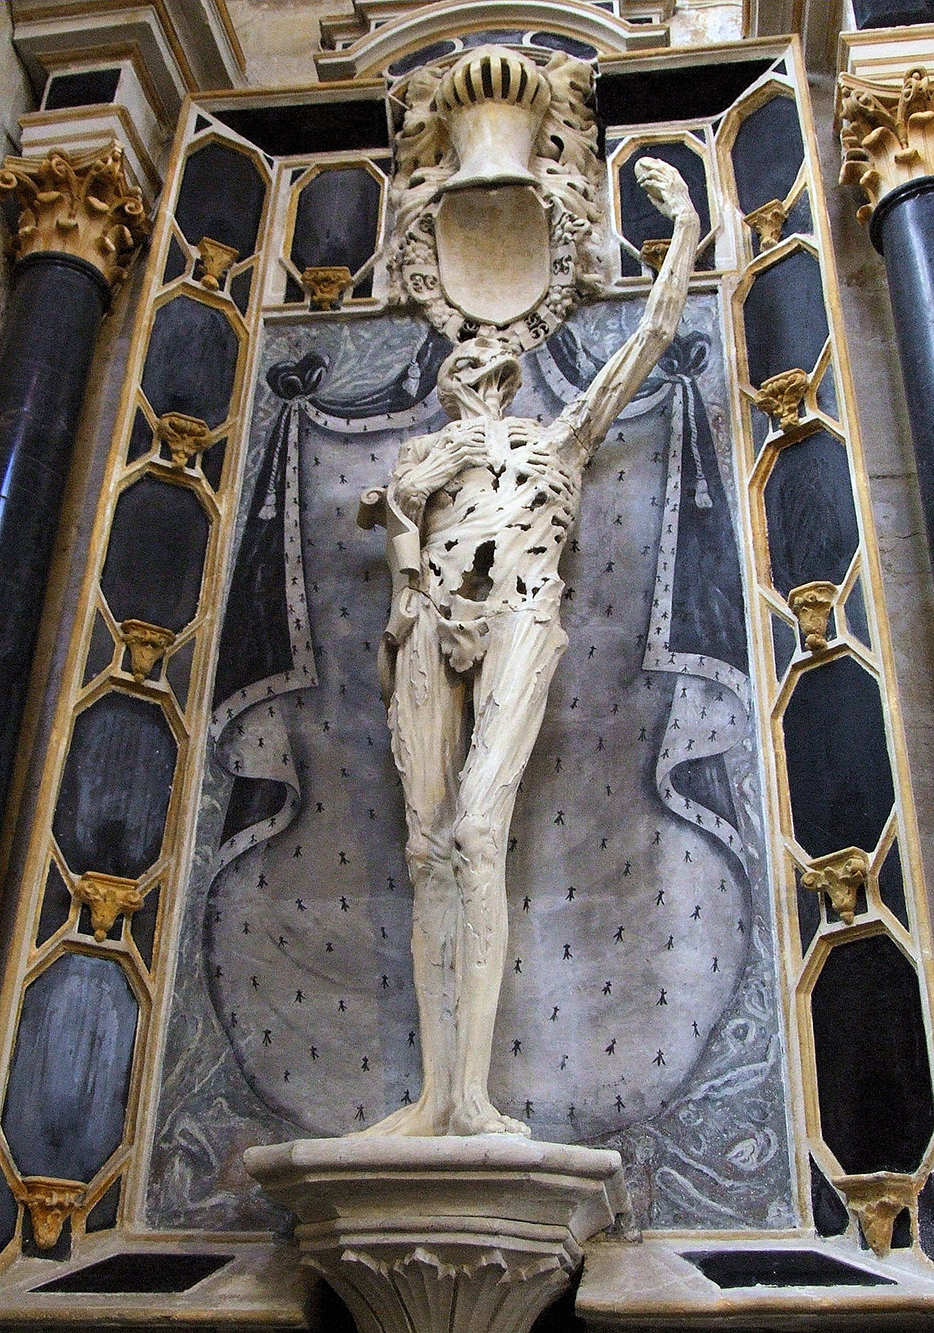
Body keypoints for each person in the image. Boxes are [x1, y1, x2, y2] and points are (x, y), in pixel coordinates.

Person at [358, 158, 699, 1136]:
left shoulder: (559, 442)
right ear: (451, 383)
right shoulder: (421, 458)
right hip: (429, 627)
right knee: (426, 847)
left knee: (475, 834)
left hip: (519, 619)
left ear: (511, 382)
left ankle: (473, 1094)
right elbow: (396, 530)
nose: (480, 377)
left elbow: (649, 340)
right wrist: (408, 531)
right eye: (462, 368)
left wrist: (682, 236)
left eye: (493, 369)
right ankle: (433, 1100)